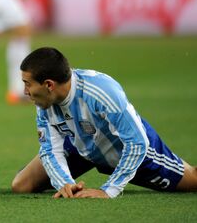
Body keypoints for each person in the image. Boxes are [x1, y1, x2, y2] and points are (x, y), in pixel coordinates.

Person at [11, 47, 197, 198]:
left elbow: (138, 142)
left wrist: (108, 190)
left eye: (27, 84)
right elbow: (50, 148)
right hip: (81, 145)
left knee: (193, 181)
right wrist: (65, 183)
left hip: (127, 150)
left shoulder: (101, 91)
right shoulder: (44, 100)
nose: (25, 91)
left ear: (49, 85)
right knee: (21, 184)